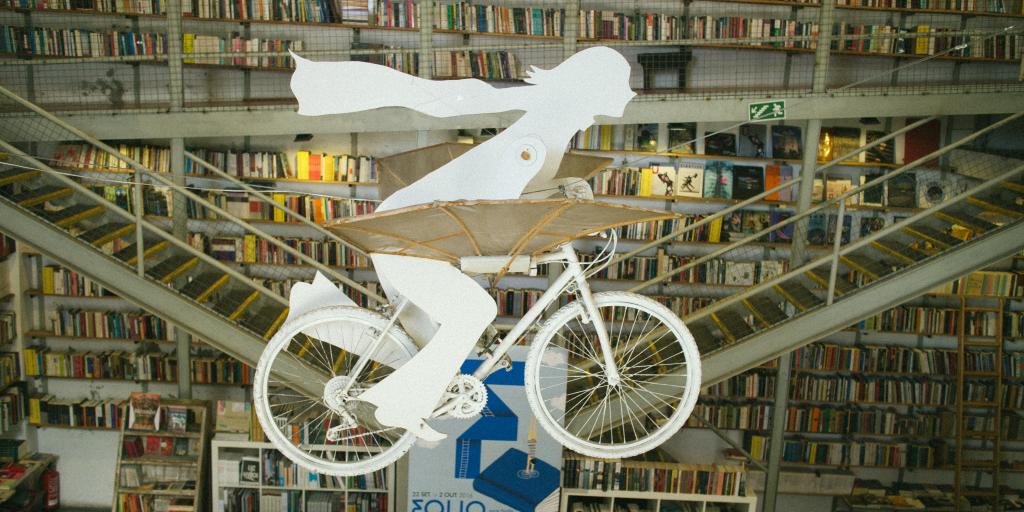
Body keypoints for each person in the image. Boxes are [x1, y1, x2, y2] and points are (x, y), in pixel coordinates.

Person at [288, 46, 636, 440]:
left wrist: (563, 191)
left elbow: (514, 197)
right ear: (592, 90)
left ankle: (398, 398)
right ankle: (395, 404)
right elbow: (496, 205)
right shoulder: (534, 142)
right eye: (619, 88)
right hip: (410, 237)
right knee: (474, 312)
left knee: (425, 337)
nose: (627, 98)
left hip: (415, 237)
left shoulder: (545, 134)